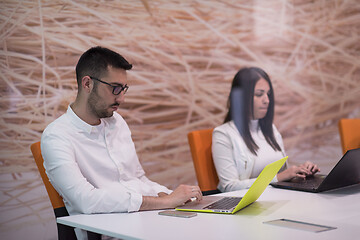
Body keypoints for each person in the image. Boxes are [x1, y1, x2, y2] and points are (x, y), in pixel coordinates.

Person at [41, 46, 202, 239]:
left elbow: (138, 179)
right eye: (115, 88)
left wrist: (173, 196)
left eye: (124, 89)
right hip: (109, 232)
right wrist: (166, 202)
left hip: (146, 221)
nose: (122, 98)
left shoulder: (117, 123)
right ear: (87, 84)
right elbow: (86, 200)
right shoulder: (57, 136)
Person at [212, 67, 320, 192]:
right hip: (246, 206)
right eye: (259, 94)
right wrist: (279, 177)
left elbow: (283, 175)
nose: (267, 100)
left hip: (278, 199)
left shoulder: (270, 129)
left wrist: (301, 171)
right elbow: (229, 187)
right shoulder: (223, 134)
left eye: (268, 94)